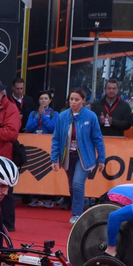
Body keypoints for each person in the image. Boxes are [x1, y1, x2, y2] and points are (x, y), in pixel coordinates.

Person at [51, 86, 105, 221]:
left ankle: (77, 214)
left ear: (83, 101)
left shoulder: (91, 116)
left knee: (77, 183)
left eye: (76, 100)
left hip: (84, 157)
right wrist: (54, 159)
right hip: (68, 156)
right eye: (71, 99)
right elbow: (56, 138)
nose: (73, 102)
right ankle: (80, 204)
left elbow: (97, 138)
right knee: (71, 185)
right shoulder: (63, 116)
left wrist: (102, 159)